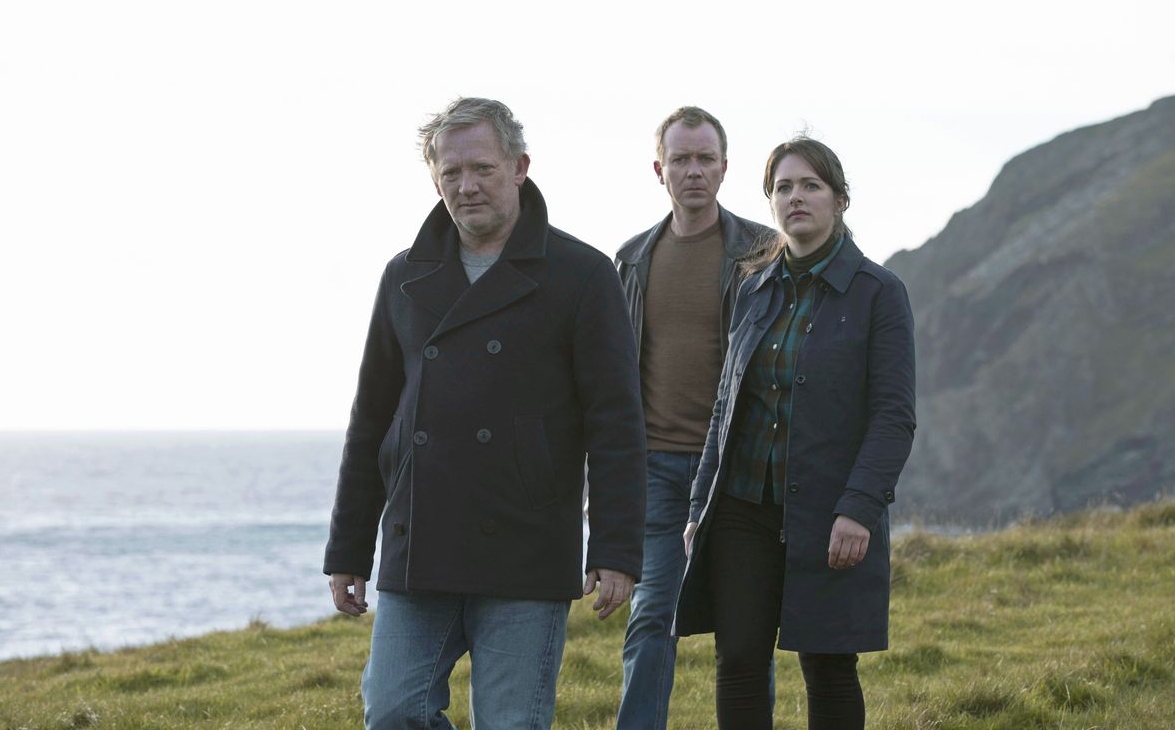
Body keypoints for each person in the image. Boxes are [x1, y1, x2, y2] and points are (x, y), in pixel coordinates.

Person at [324, 97, 647, 729]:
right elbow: (372, 420)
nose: (466, 186)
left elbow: (616, 421)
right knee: (392, 712)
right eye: (451, 174)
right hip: (421, 544)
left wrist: (615, 547)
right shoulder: (404, 276)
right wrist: (348, 549)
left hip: (525, 544)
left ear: (520, 167)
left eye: (482, 169)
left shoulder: (581, 274)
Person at [676, 136, 916, 729]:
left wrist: (859, 509)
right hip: (741, 509)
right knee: (737, 659)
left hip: (829, 511)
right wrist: (697, 505)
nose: (796, 197)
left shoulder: (879, 293)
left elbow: (893, 415)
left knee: (829, 664)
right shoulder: (752, 288)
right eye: (783, 187)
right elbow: (724, 408)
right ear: (770, 200)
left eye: (811, 185)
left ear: (839, 200)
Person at [613, 106, 770, 730]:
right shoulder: (629, 260)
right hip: (655, 469)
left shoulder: (763, 252)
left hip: (735, 469)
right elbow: (610, 377)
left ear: (725, 168)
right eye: (682, 159)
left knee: (746, 625)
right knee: (652, 615)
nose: (694, 171)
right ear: (660, 169)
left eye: (706, 159)